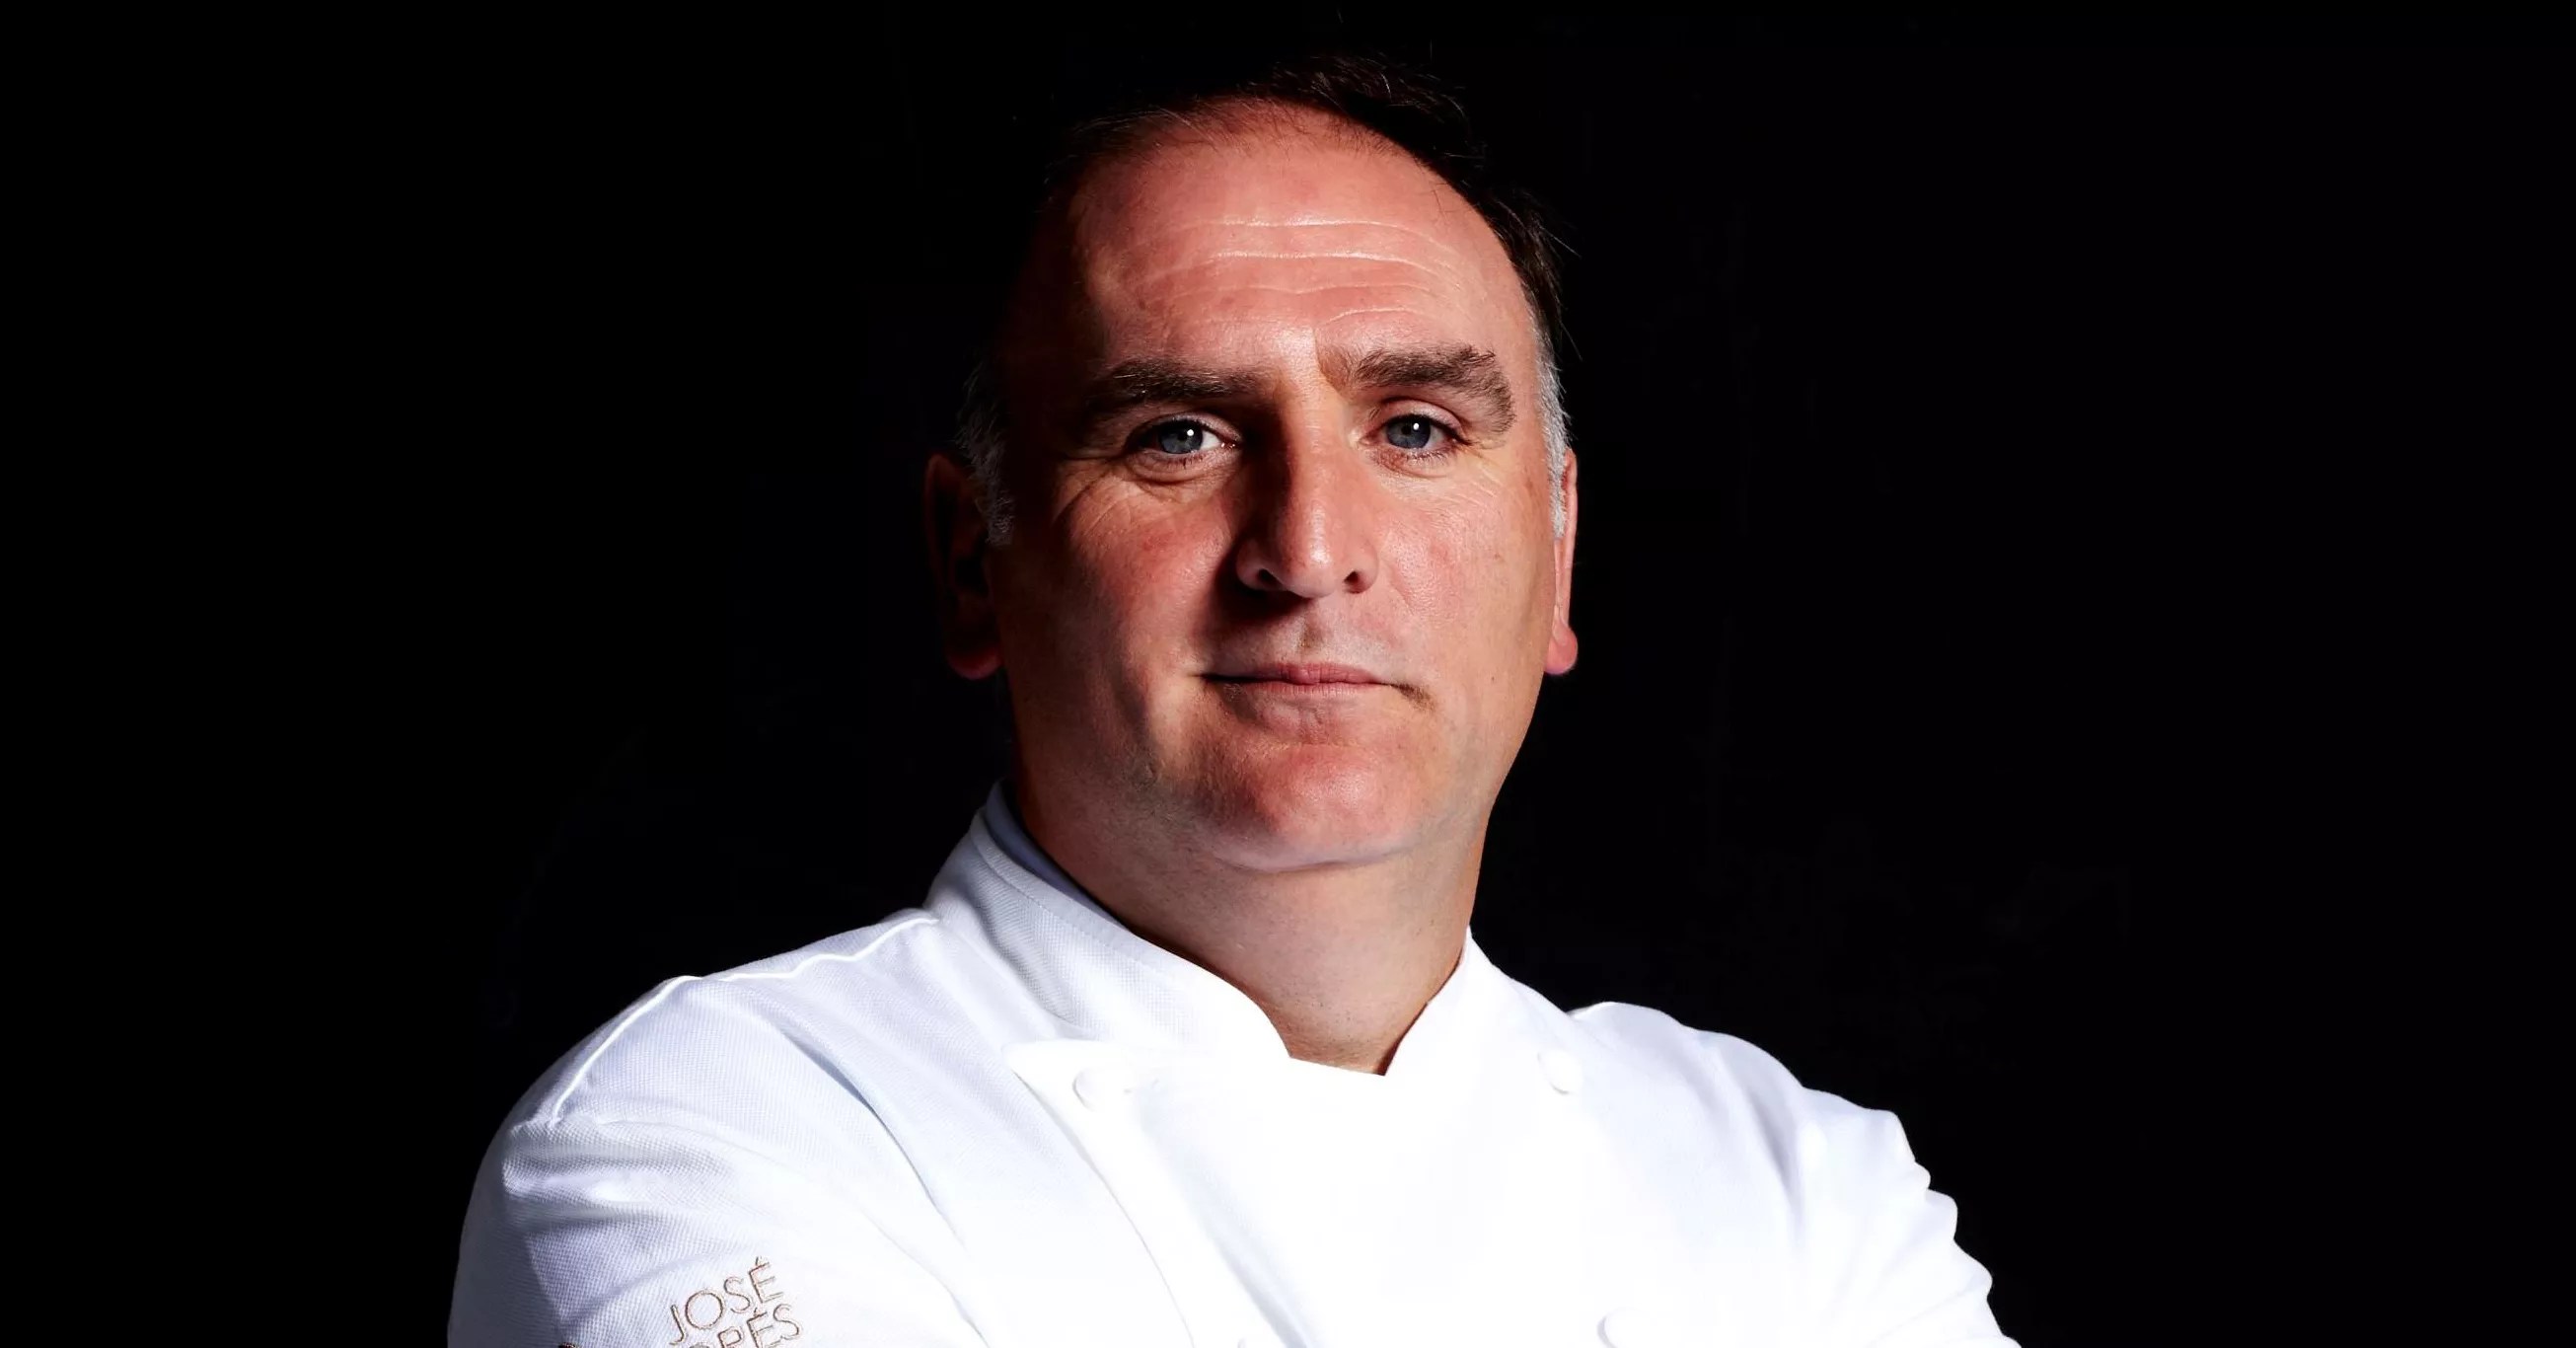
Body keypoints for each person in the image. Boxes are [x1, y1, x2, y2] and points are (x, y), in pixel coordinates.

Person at [451, 52, 2015, 1348]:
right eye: (1178, 436)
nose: (1309, 550)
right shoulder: (704, 1137)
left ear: (1557, 549)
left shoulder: (1794, 1186)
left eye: (1414, 428)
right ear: (974, 560)